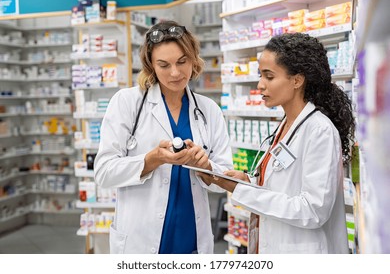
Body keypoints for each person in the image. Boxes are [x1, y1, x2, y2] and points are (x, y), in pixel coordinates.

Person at [200, 33, 355, 254]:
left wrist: (241, 190)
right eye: (260, 76)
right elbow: (282, 183)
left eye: (269, 77)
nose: (260, 85)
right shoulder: (286, 123)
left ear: (297, 80)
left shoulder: (319, 130)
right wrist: (248, 180)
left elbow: (313, 210)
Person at [94, 20, 233, 254]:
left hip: (191, 240)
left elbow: (225, 180)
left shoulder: (209, 110)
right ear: (151, 65)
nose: (176, 73)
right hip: (141, 240)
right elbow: (103, 173)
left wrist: (206, 167)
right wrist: (152, 159)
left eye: (182, 61)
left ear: (193, 58)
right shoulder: (127, 102)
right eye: (164, 64)